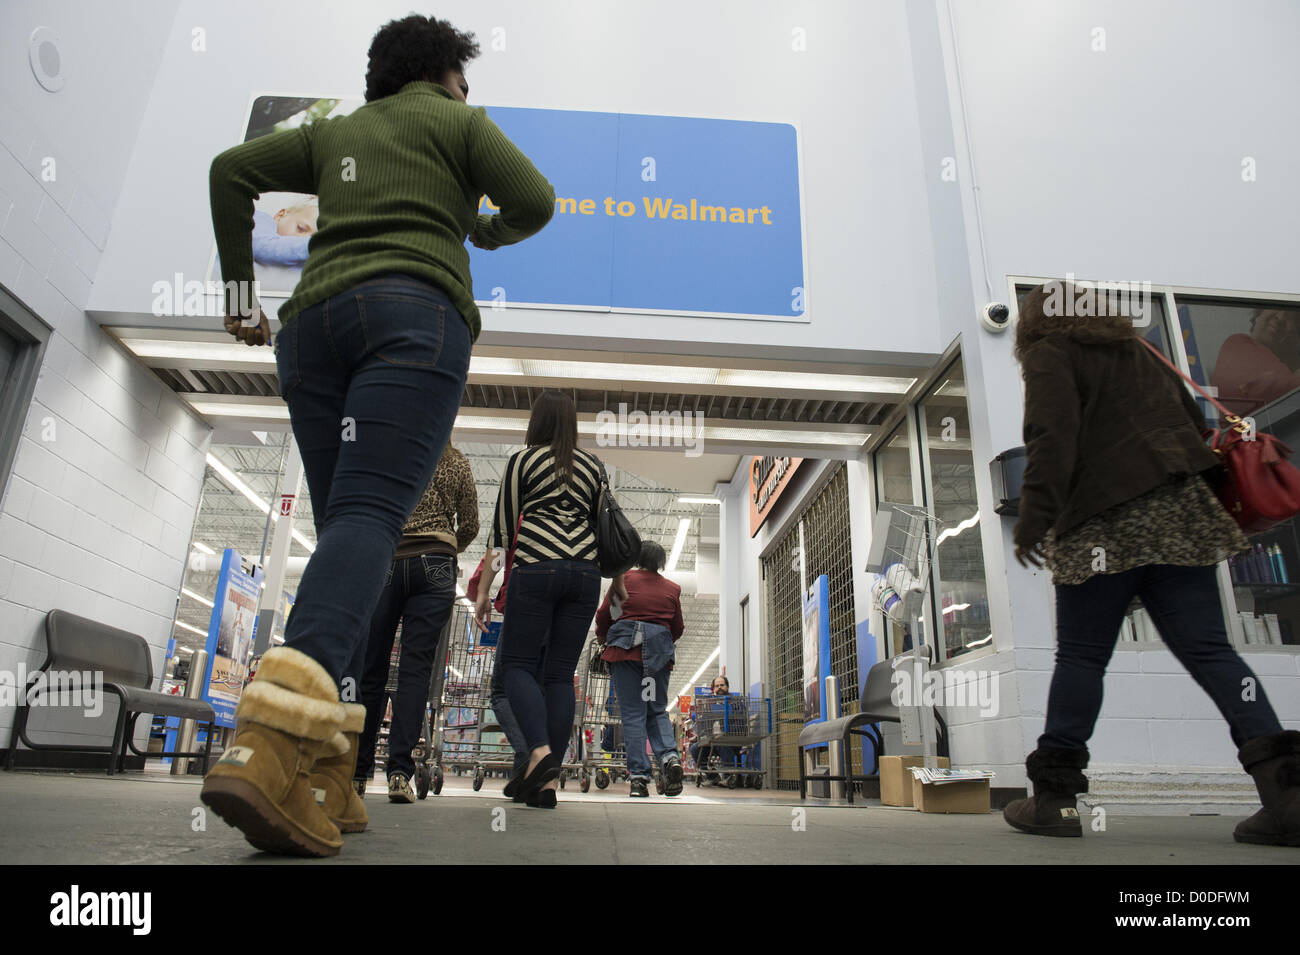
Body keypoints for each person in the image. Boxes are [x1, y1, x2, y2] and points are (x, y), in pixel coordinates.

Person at [201, 14, 555, 857]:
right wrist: (480, 230)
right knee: (367, 521)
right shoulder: (458, 122)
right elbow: (536, 201)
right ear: (444, 77)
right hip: (414, 318)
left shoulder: (336, 132)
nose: (471, 95)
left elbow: (230, 172)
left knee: (349, 539)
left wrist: (236, 295)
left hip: (313, 327)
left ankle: (330, 771)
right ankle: (271, 740)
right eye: (466, 82)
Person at [1005, 281, 1298, 845]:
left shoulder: (1051, 352)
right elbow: (1191, 425)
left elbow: (1051, 436)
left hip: (1105, 520)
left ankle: (1057, 802)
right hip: (1180, 514)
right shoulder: (1138, 349)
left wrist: (1034, 518)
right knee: (1212, 650)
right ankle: (1287, 796)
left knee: (1083, 657)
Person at [474, 391, 605, 809]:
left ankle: (540, 754)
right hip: (585, 575)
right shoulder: (593, 466)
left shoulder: (522, 461)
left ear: (538, 422)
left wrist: (484, 589)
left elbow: (500, 533)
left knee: (516, 666)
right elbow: (609, 529)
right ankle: (546, 784)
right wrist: (617, 584)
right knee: (559, 675)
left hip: (536, 568)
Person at [352, 442, 479, 806]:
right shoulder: (456, 460)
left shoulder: (393, 453)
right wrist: (447, 546)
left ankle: (357, 775)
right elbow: (470, 524)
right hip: (436, 563)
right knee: (415, 670)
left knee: (371, 669)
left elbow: (369, 509)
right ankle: (398, 773)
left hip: (388, 559)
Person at [594, 541, 685, 797]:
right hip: (656, 658)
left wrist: (603, 639)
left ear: (635, 558)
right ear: (661, 562)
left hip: (626, 653)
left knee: (633, 714)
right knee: (656, 711)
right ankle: (669, 757)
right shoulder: (673, 588)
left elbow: (604, 615)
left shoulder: (623, 579)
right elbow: (677, 627)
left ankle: (638, 779)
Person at [1212, 307, 1300, 419]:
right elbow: (1278, 386)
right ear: (1259, 314)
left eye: (1290, 317)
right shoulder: (1238, 344)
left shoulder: (1283, 368)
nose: (1280, 317)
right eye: (1276, 307)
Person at [690, 675, 740, 784]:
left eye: (722, 685)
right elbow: (705, 723)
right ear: (714, 689)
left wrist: (726, 733)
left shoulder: (736, 703)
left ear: (727, 687)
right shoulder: (711, 704)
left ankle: (728, 777)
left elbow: (741, 724)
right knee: (694, 748)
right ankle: (712, 776)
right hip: (714, 741)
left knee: (722, 743)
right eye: (717, 686)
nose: (719, 688)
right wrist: (699, 735)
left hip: (732, 739)